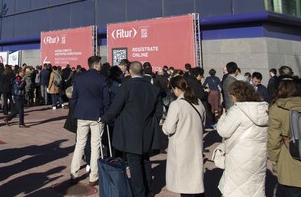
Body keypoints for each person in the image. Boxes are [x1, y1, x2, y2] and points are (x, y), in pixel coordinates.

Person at [101, 61, 162, 197]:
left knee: (134, 162)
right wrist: (153, 121)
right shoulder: (153, 88)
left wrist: (105, 118)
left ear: (129, 71)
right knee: (145, 159)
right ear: (142, 71)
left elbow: (116, 107)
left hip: (130, 129)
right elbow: (159, 111)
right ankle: (149, 189)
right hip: (147, 129)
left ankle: (139, 192)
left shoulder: (126, 86)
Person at [216, 80, 268, 197]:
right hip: (259, 155)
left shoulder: (237, 110)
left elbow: (223, 131)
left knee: (236, 189)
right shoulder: (263, 110)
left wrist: (223, 117)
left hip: (239, 156)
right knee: (254, 189)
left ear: (236, 95)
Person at [69, 56, 110, 187]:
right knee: (95, 145)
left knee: (80, 144)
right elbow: (106, 100)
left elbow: (74, 98)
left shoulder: (79, 78)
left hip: (82, 114)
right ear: (96, 65)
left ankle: (74, 173)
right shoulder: (102, 79)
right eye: (100, 63)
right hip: (97, 115)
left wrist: (75, 111)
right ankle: (93, 177)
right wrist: (106, 115)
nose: (101, 65)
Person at [162, 75, 206, 197]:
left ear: (176, 89)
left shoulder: (176, 105)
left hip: (181, 146)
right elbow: (203, 123)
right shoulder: (198, 102)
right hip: (196, 144)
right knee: (195, 180)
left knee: (184, 182)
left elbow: (168, 128)